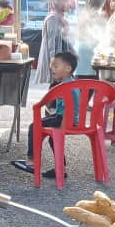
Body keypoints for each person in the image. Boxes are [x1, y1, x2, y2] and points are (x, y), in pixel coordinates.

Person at [12, 51, 81, 179]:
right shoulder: (73, 83)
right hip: (76, 121)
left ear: (68, 68)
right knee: (52, 137)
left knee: (34, 126)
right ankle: (60, 168)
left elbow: (50, 104)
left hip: (63, 120)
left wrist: (61, 123)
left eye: (56, 66)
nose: (52, 69)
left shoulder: (62, 87)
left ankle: (31, 161)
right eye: (51, 67)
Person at [35, 0, 72, 84]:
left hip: (60, 58)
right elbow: (51, 43)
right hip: (55, 58)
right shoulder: (53, 18)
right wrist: (54, 63)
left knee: (57, 87)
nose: (69, 4)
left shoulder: (61, 18)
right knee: (55, 87)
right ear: (59, 3)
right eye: (66, 1)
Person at [75, 0, 105, 75]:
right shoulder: (97, 17)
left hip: (81, 49)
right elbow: (101, 35)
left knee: (81, 80)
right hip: (91, 50)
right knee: (91, 81)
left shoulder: (82, 15)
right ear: (99, 4)